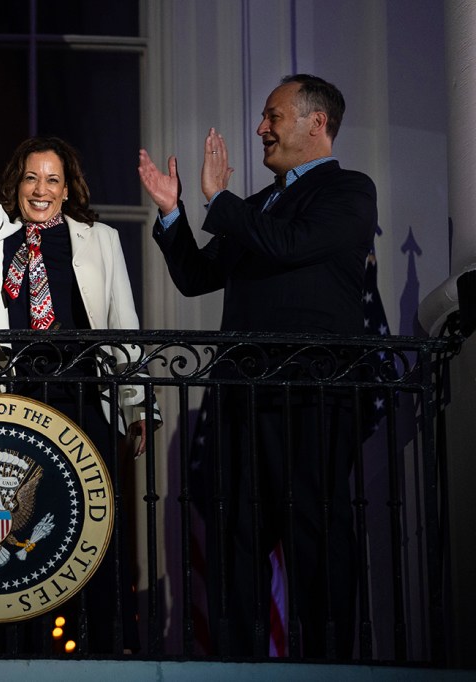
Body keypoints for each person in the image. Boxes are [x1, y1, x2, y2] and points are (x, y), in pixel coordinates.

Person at [138, 74, 377, 658]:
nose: (260, 128)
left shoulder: (348, 190)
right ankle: (236, 668)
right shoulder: (255, 207)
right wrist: (173, 215)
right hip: (241, 399)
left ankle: (329, 668)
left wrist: (221, 203)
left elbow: (292, 244)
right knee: (234, 541)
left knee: (313, 534)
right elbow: (197, 278)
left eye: (273, 116)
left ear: (316, 122)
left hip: (310, 395)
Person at [0, 33, 155, 655]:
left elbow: (123, 325)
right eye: (31, 177)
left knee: (92, 534)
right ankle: (14, 655)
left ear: (67, 186)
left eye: (52, 180)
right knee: (17, 544)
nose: (40, 188)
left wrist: (136, 406)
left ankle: (104, 651)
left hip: (84, 396)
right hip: (10, 400)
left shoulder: (99, 240)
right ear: (18, 182)